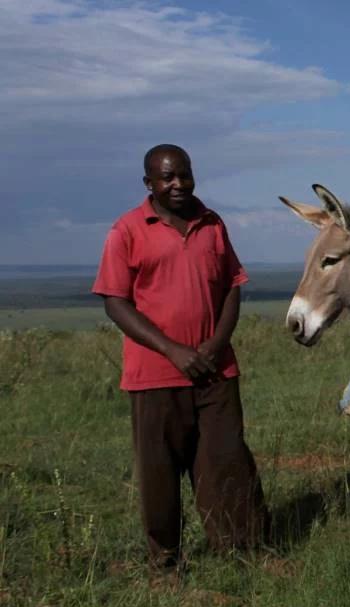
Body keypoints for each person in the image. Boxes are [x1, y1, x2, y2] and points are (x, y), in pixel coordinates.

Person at [92, 144, 268, 574]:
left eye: (183, 174)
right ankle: (165, 561)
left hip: (215, 369)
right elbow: (116, 302)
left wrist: (214, 343)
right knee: (160, 471)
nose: (177, 184)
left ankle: (240, 551)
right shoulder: (128, 229)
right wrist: (173, 350)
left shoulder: (212, 223)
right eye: (166, 177)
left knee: (226, 459)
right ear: (148, 183)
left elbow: (232, 285)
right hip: (155, 374)